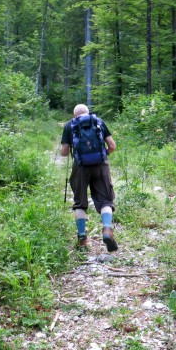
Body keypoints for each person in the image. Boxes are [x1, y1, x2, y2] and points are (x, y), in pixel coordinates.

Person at [61, 104, 118, 252]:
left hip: (80, 167)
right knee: (105, 200)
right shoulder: (98, 121)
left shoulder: (70, 125)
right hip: (101, 165)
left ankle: (82, 239)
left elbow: (64, 152)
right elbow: (112, 145)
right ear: (88, 113)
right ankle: (106, 230)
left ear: (75, 115)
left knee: (80, 203)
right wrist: (103, 155)